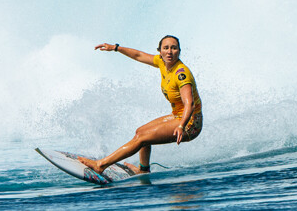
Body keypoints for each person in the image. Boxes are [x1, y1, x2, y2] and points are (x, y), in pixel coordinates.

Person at [77, 35, 203, 175]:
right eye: (165, 48)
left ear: (179, 51)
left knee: (142, 138)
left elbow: (189, 104)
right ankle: (143, 170)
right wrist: (116, 48)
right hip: (178, 116)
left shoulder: (181, 74)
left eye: (174, 48)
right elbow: (138, 55)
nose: (169, 52)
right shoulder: (162, 62)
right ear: (159, 51)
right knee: (140, 131)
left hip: (191, 123)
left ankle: (101, 165)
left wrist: (181, 126)